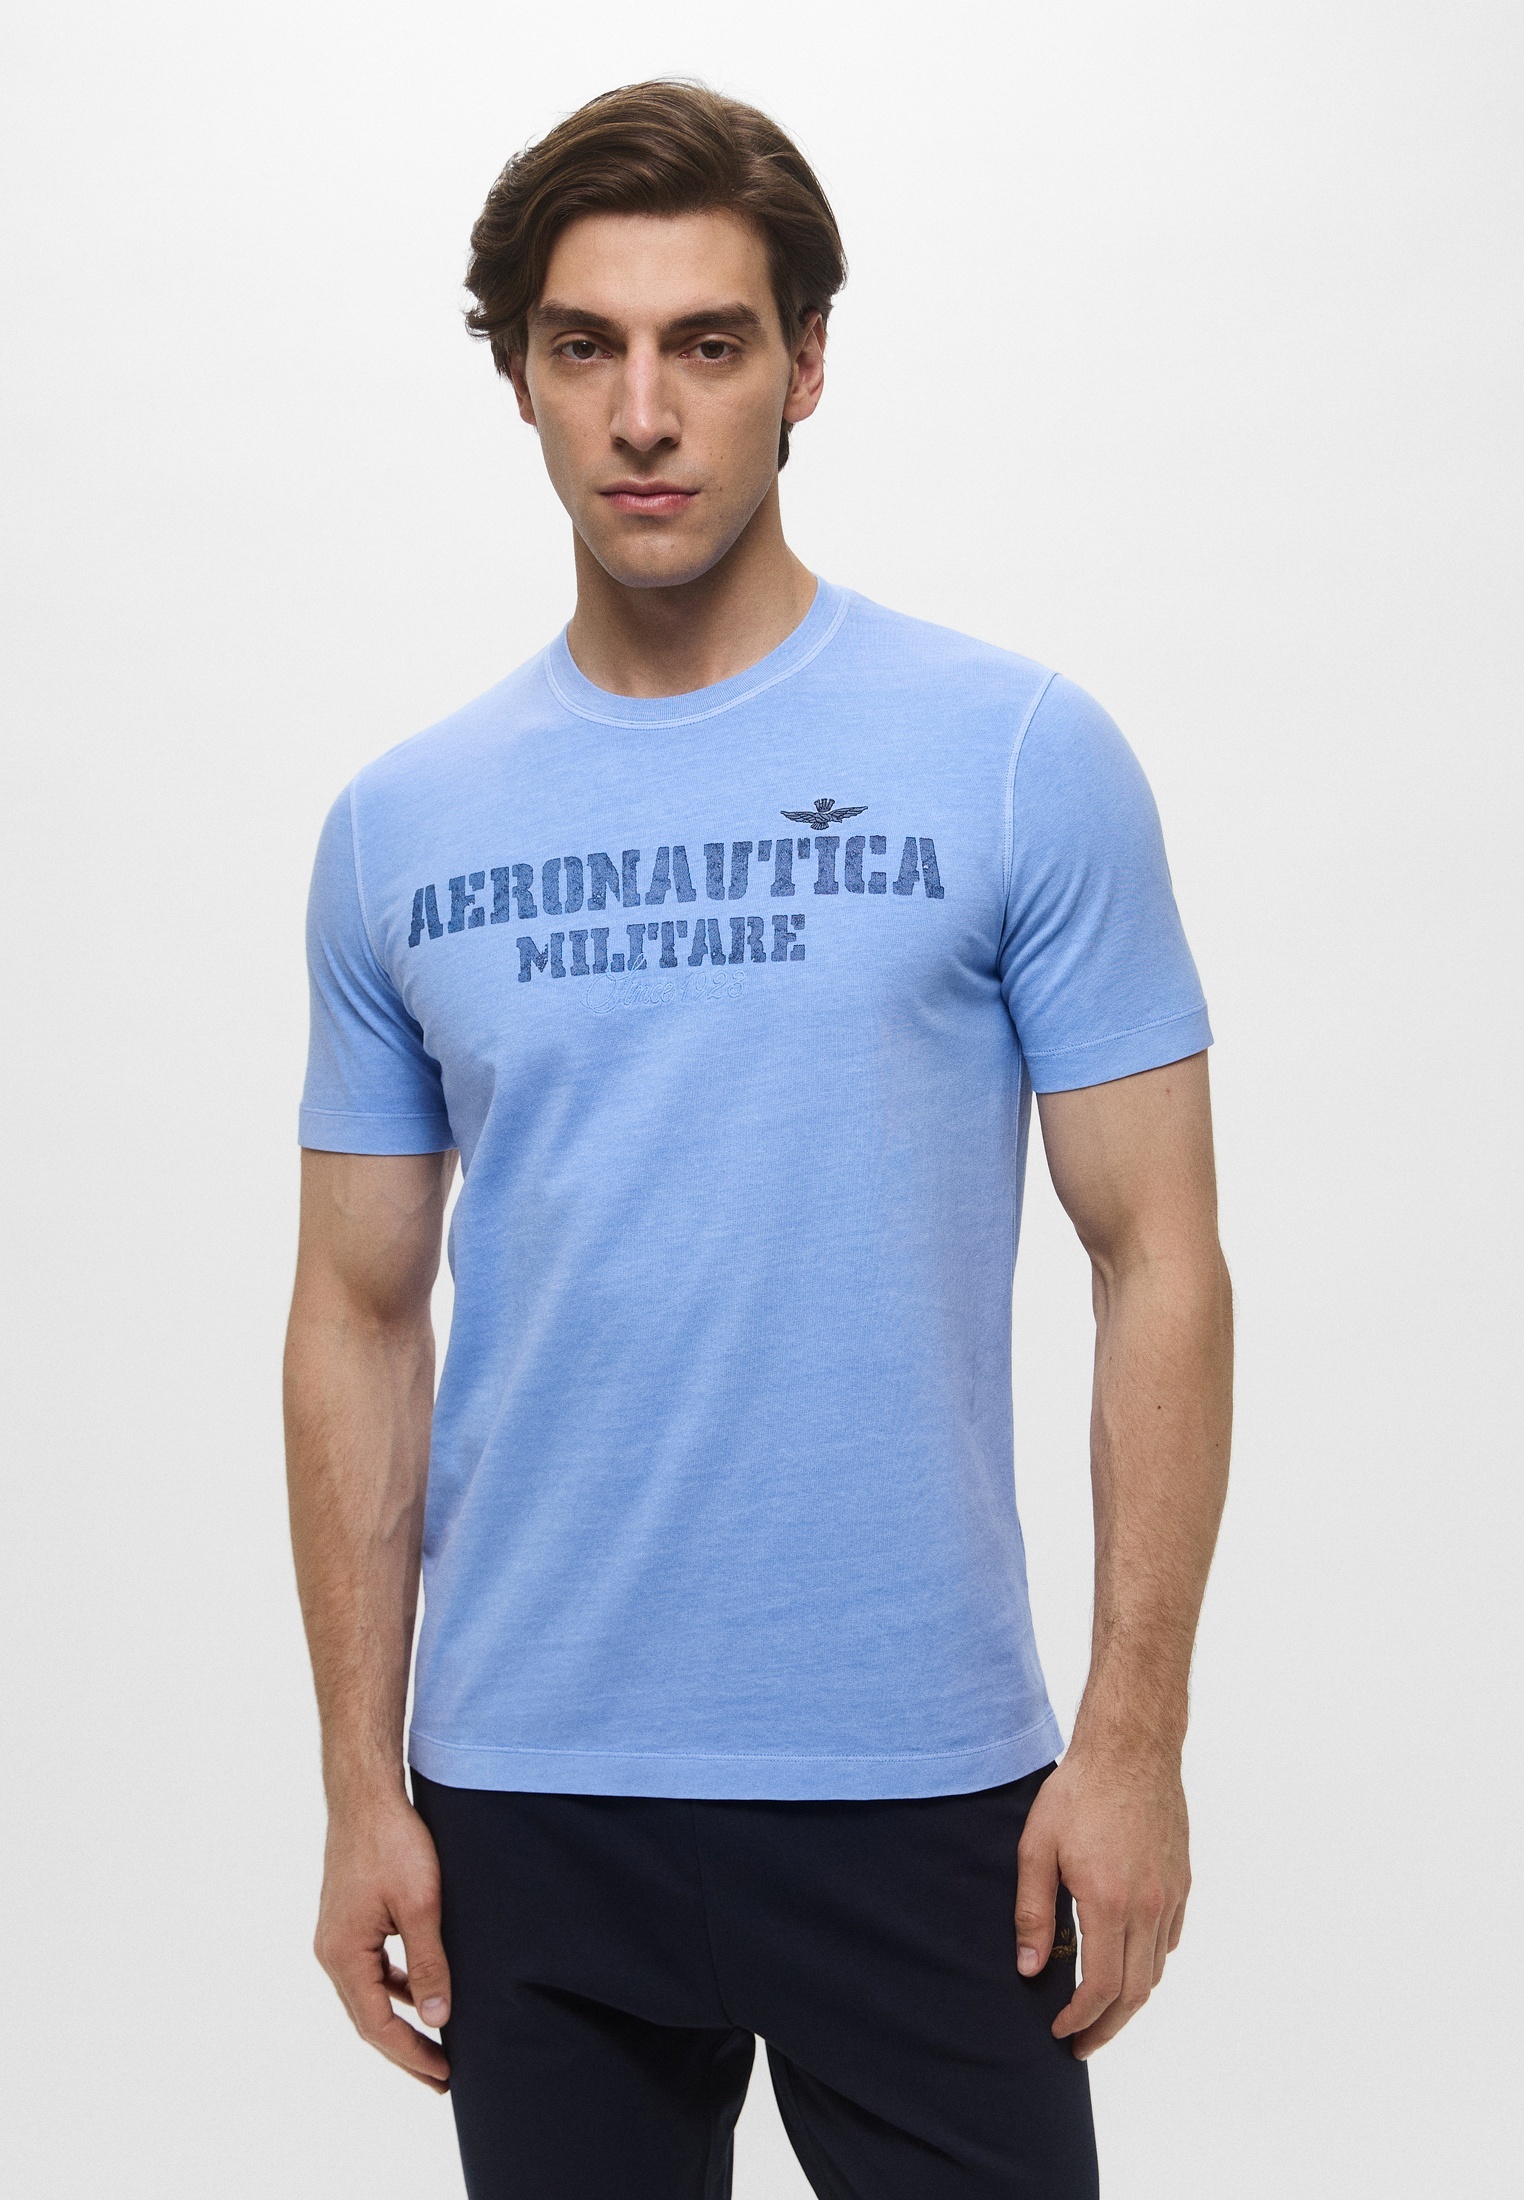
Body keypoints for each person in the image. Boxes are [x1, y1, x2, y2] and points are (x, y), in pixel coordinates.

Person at [284, 79, 1233, 2200]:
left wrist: (1135, 1740)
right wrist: (360, 1782)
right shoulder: (398, 828)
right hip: (530, 1791)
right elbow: (357, 1313)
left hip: (926, 1786)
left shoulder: (1017, 757)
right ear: (519, 377)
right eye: (586, 346)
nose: (645, 413)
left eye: (707, 344)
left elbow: (1159, 1254)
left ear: (805, 365)